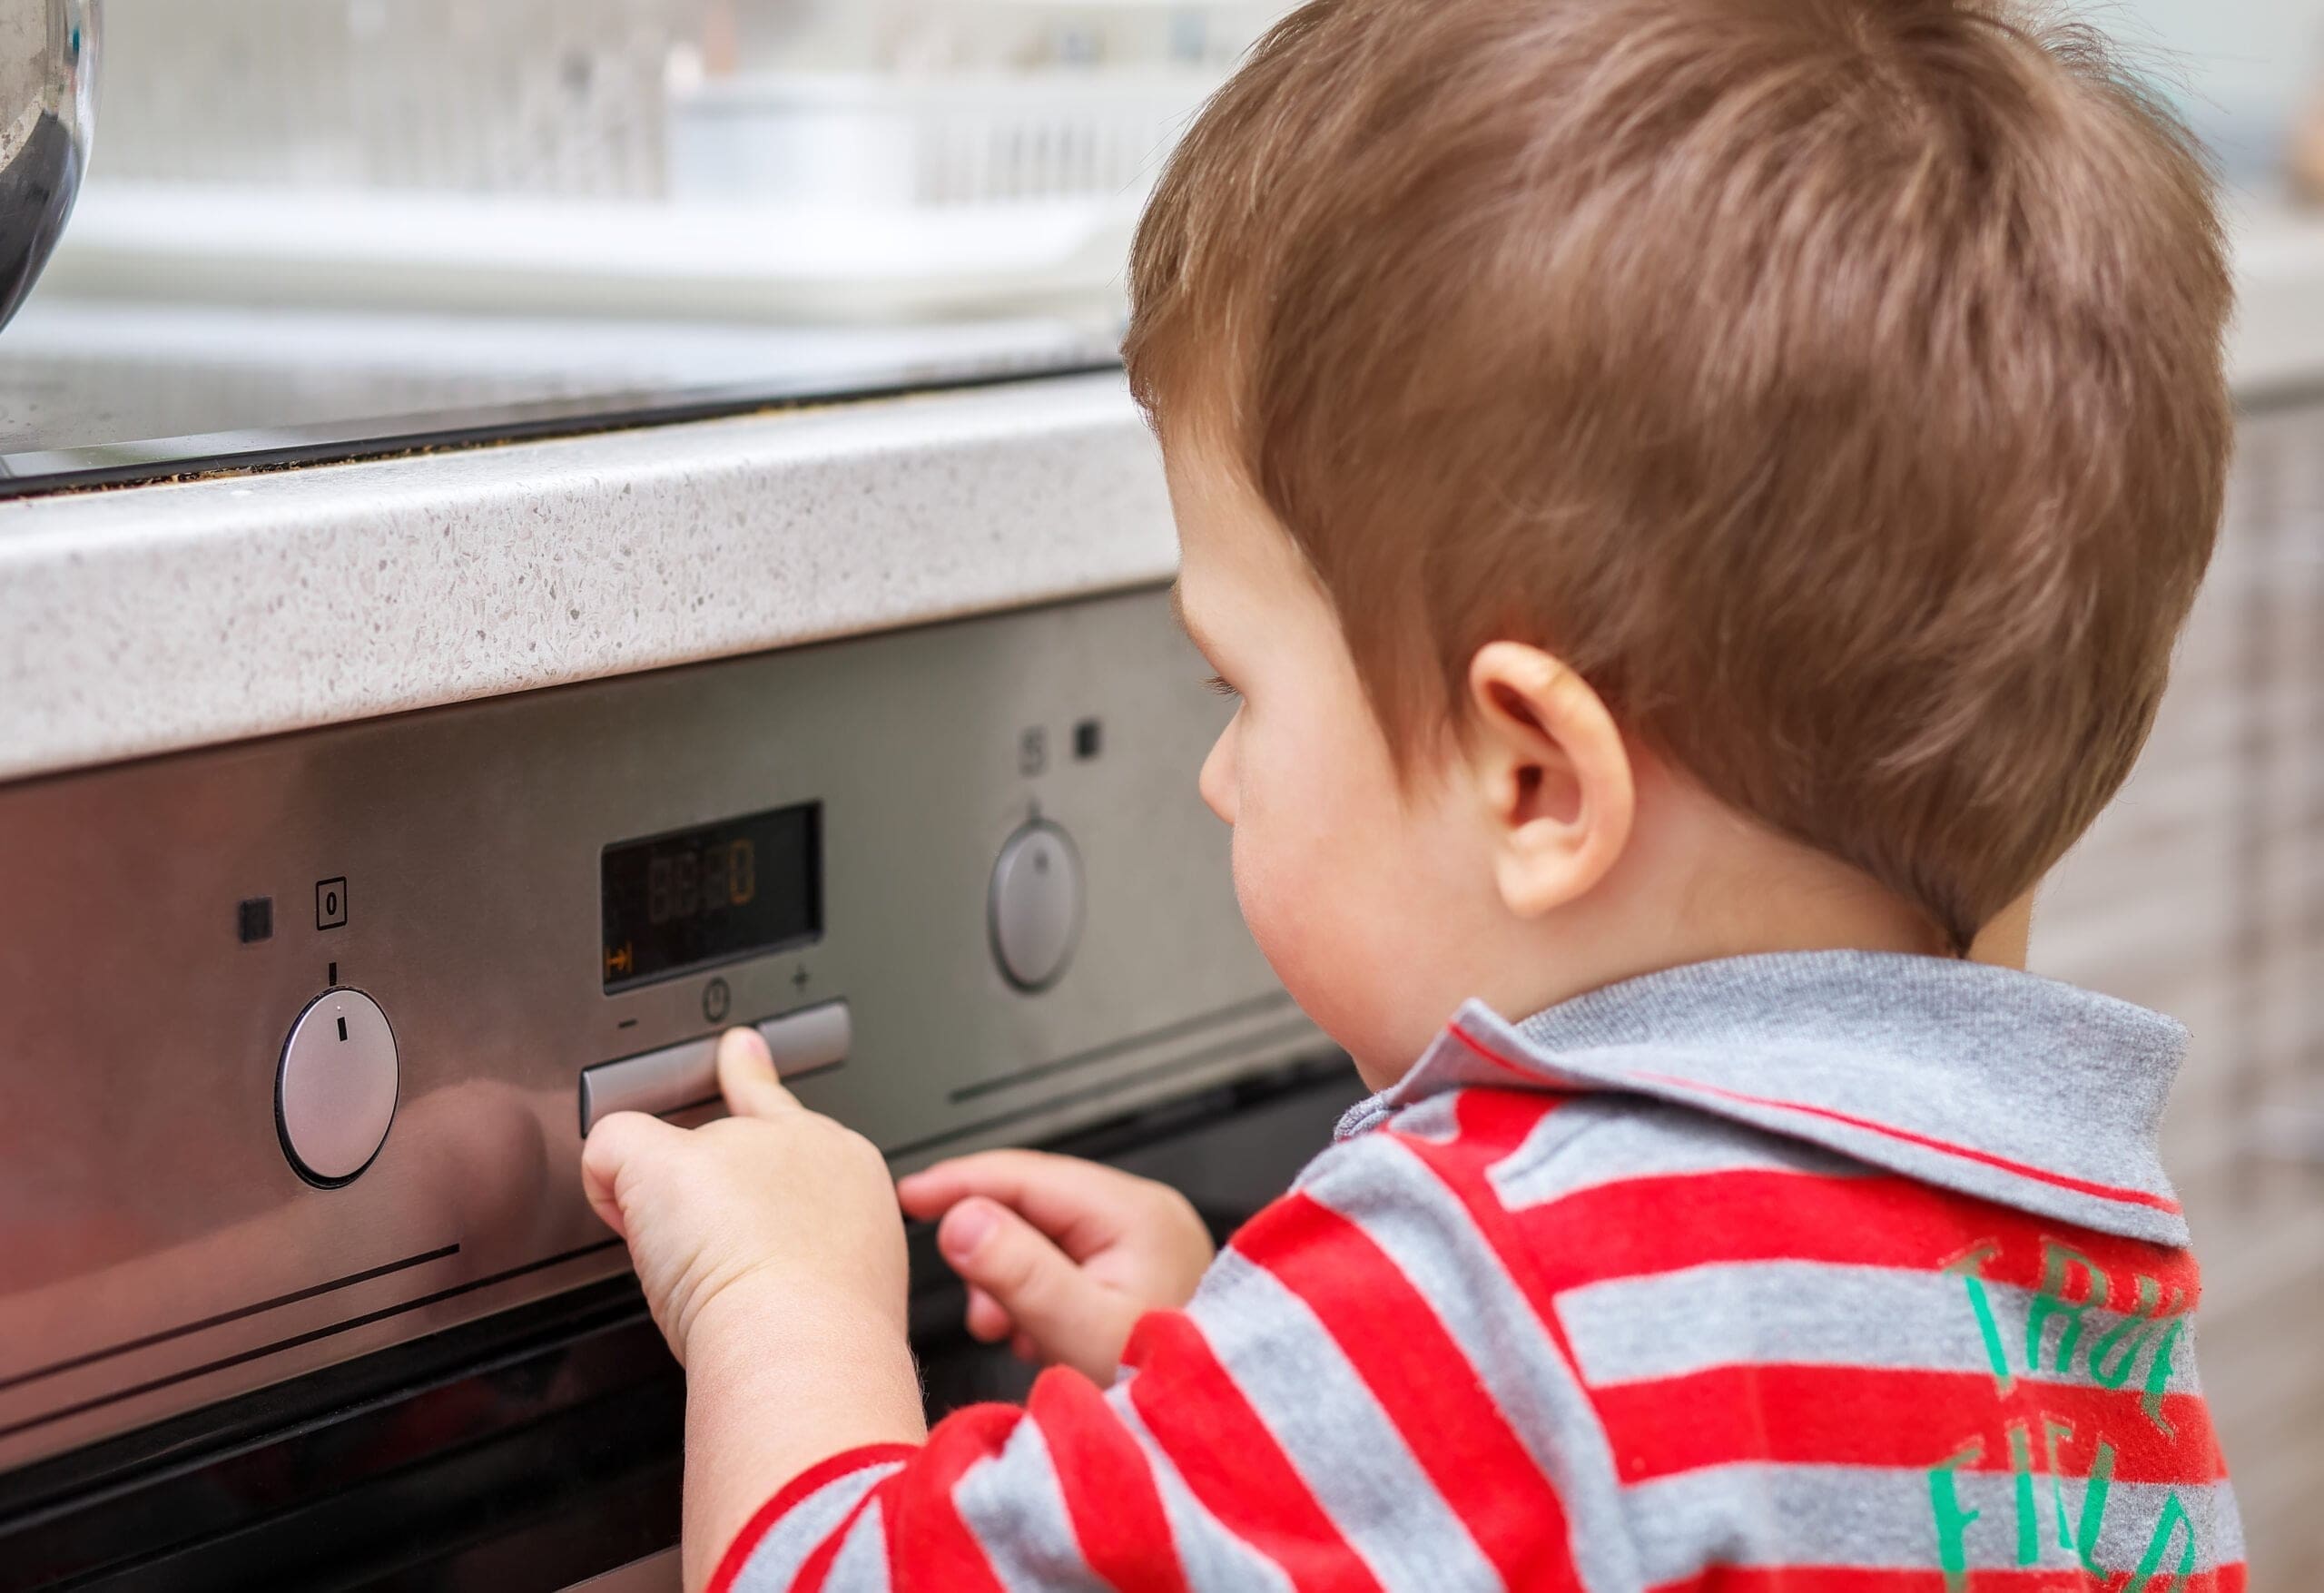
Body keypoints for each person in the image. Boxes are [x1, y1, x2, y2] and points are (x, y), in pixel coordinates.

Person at [580, 0, 2245, 1586]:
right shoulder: (2076, 1273)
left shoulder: (1482, 1292)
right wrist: (1246, 1367)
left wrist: (786, 1301)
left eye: (1239, 686)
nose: (1217, 778)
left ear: (1533, 781)